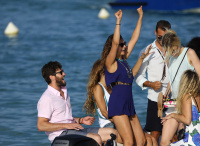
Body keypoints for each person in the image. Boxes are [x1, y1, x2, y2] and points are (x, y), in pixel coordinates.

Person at [84, 44, 157, 145]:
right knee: (143, 140)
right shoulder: (98, 88)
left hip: (120, 119)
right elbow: (105, 112)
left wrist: (141, 59)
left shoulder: (113, 86)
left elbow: (130, 75)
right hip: (109, 124)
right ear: (102, 72)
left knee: (150, 139)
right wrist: (123, 121)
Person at [37, 61, 117, 145]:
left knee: (112, 133)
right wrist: (66, 125)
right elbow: (41, 125)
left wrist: (81, 120)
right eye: (60, 72)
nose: (64, 74)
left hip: (73, 130)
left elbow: (63, 118)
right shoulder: (47, 98)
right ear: (52, 77)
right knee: (95, 138)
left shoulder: (64, 92)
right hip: (60, 135)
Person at [104, 6, 146, 146]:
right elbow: (115, 42)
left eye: (124, 44)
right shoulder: (110, 62)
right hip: (118, 103)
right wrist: (118, 21)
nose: (124, 46)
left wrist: (140, 17)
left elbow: (135, 38)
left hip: (129, 102)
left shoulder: (124, 61)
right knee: (128, 141)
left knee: (141, 140)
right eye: (121, 45)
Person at [160, 30, 200, 146]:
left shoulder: (189, 53)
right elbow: (172, 79)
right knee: (164, 142)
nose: (171, 53)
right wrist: (166, 93)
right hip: (174, 103)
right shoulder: (169, 57)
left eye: (172, 50)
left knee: (184, 137)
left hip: (188, 103)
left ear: (177, 44)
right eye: (167, 51)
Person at [135, 20, 171, 143]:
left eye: (165, 37)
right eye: (160, 37)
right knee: (155, 133)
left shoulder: (175, 50)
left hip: (173, 97)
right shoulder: (147, 51)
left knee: (175, 133)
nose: (162, 41)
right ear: (155, 33)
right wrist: (150, 84)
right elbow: (138, 76)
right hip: (155, 98)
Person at [161, 70, 200, 145]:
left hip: (191, 140)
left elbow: (187, 120)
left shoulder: (187, 97)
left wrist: (172, 115)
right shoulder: (198, 96)